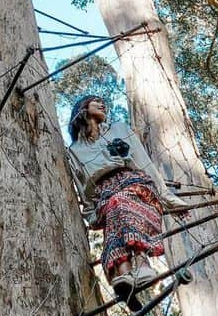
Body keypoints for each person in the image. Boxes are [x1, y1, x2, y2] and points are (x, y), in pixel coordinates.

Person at [66, 93, 189, 302]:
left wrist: (168, 198)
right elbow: (82, 188)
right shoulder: (74, 151)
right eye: (97, 102)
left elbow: (144, 161)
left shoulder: (120, 129)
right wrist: (91, 215)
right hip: (104, 195)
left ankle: (140, 265)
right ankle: (126, 279)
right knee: (114, 212)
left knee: (120, 202)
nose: (103, 105)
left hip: (134, 183)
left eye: (104, 103)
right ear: (83, 108)